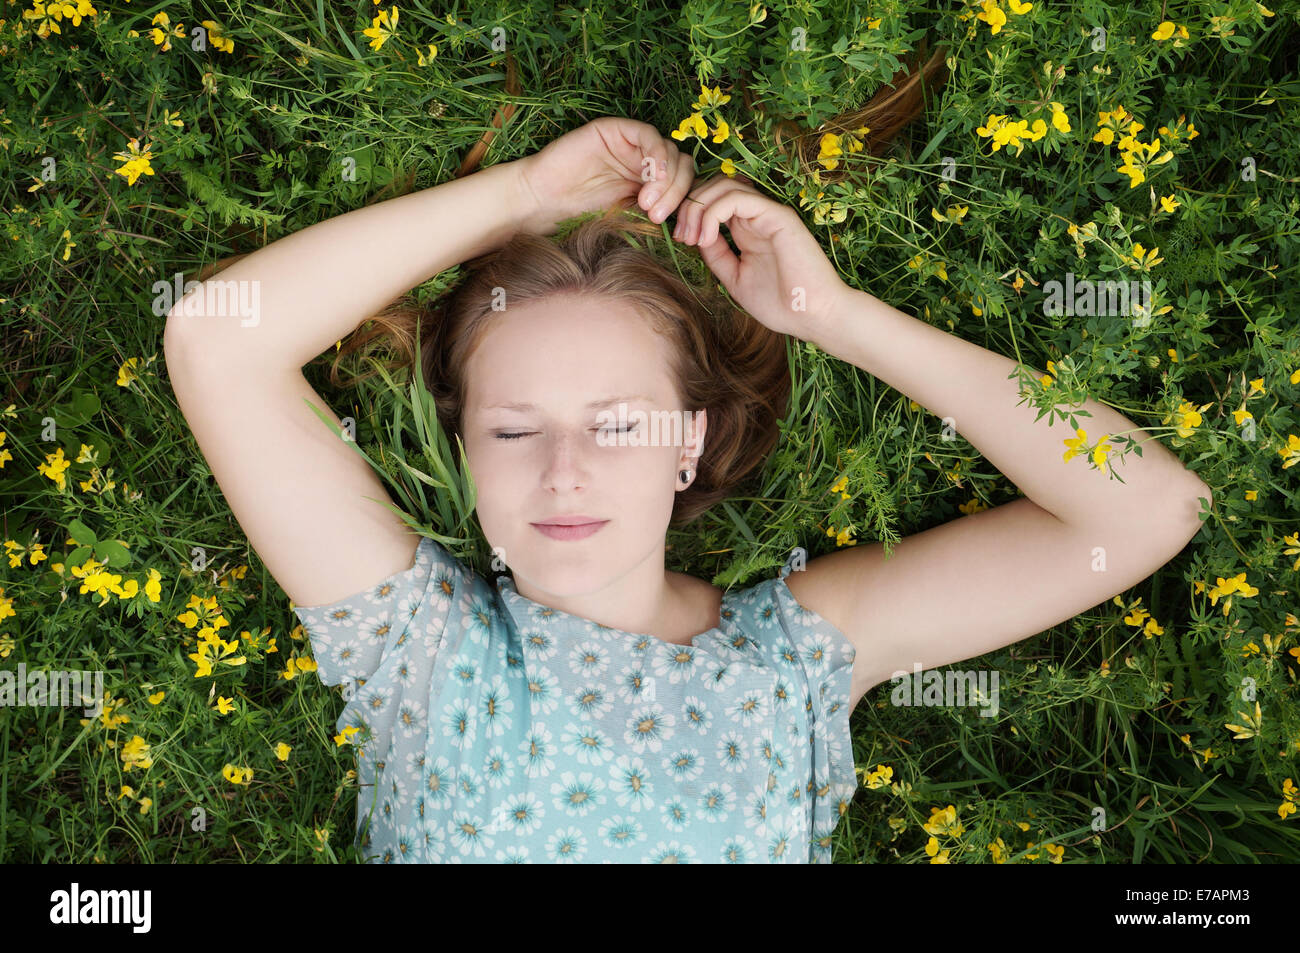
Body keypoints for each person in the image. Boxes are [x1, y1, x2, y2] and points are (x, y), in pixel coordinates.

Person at [164, 80, 1212, 865]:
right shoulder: (416, 652)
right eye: (516, 431)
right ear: (466, 452)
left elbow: (1146, 506)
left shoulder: (796, 660)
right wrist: (521, 198)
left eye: (616, 425)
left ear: (688, 441)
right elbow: (218, 341)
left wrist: (832, 317)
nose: (563, 473)